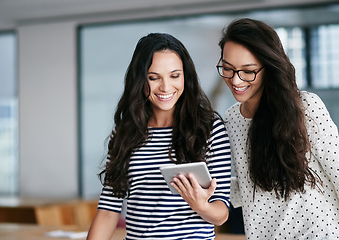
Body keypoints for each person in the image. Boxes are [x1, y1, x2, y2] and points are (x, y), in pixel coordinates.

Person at [87, 33, 231, 240]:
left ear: (185, 76)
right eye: (154, 77)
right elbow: (109, 210)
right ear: (140, 79)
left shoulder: (209, 128)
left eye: (174, 76)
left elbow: (221, 214)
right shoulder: (125, 132)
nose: (165, 87)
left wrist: (200, 205)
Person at [217, 18, 339, 239]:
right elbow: (251, 185)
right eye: (227, 68)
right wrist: (207, 187)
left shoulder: (306, 107)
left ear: (269, 67)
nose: (236, 80)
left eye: (248, 70)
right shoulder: (232, 119)